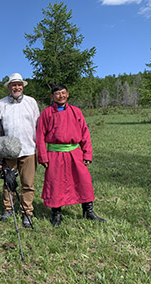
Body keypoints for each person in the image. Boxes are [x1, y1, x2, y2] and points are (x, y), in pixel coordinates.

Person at [36, 84, 106, 227]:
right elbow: (40, 136)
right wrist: (43, 157)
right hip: (54, 154)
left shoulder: (76, 112)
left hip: (75, 153)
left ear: (67, 94)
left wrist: (87, 154)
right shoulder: (47, 113)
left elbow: (85, 133)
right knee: (55, 183)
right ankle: (56, 214)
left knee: (84, 181)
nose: (60, 96)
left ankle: (88, 211)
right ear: (52, 96)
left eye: (63, 93)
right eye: (57, 93)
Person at [0, 73, 40, 228]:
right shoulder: (0, 104)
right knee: (8, 182)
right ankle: (8, 208)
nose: (17, 87)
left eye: (19, 84)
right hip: (8, 150)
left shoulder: (31, 102)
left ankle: (27, 212)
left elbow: (38, 126)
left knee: (28, 183)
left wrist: (38, 147)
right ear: (8, 87)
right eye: (13, 85)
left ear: (22, 86)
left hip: (28, 149)